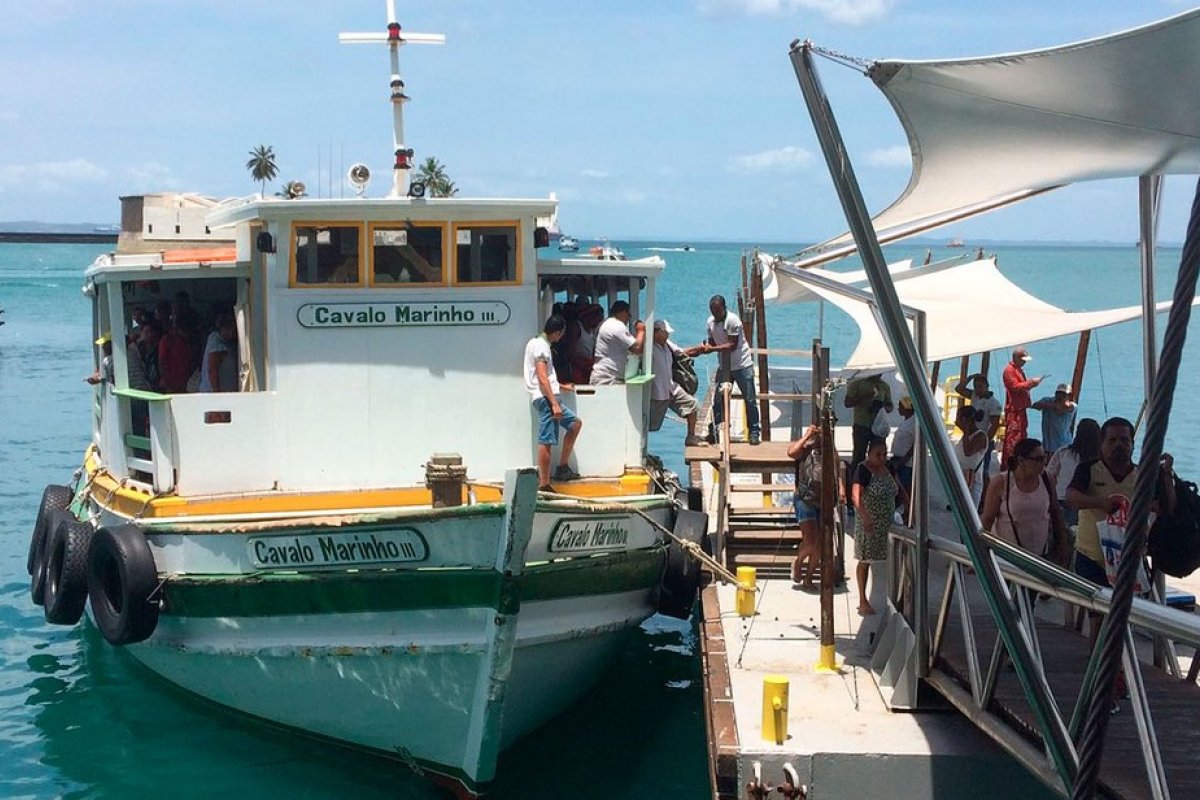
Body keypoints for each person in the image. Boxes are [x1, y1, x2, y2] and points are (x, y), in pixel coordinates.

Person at [1066, 416, 1175, 640]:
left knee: (1121, 617)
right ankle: (1099, 668)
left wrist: (1166, 474)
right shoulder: (1089, 469)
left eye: (1125, 440)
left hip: (1127, 559)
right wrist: (1101, 504)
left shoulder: (1143, 475)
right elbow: (1071, 497)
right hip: (1092, 555)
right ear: (1102, 443)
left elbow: (1167, 507)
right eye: (1113, 440)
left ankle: (1119, 668)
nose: (1119, 445)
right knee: (1098, 615)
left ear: (1133, 444)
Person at [982, 438, 1068, 563]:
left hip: (1040, 557)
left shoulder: (1046, 478)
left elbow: (1055, 512)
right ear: (1021, 461)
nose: (1043, 463)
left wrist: (1062, 546)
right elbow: (987, 520)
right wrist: (981, 554)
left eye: (1044, 458)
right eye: (1037, 460)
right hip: (1006, 558)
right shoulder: (1001, 483)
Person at [524, 314, 583, 491]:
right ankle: (544, 483)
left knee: (575, 424)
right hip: (546, 399)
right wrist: (554, 403)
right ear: (557, 332)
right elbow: (542, 377)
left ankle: (562, 467)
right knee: (546, 440)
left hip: (549, 395)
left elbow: (545, 376)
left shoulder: (535, 343)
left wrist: (560, 386)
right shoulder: (541, 347)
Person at [852, 437, 905, 615]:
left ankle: (897, 598)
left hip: (889, 522)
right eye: (878, 455)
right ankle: (862, 599)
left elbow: (900, 488)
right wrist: (866, 518)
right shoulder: (863, 470)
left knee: (896, 559)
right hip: (870, 523)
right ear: (869, 454)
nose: (881, 458)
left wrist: (910, 507)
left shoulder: (888, 468)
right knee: (866, 560)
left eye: (884, 454)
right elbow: (856, 497)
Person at [702, 295, 761, 445]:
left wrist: (712, 349)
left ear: (724, 308)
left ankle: (754, 432)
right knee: (718, 400)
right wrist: (707, 345)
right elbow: (712, 339)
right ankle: (715, 430)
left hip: (741, 364)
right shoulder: (710, 322)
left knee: (750, 399)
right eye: (713, 311)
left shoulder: (733, 320)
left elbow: (731, 345)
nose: (715, 314)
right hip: (724, 365)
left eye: (718, 311)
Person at [787, 424, 840, 588]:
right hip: (805, 499)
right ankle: (798, 561)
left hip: (824, 500)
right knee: (810, 541)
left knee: (820, 544)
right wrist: (807, 436)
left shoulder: (830, 451)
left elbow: (837, 468)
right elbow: (791, 453)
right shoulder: (805, 448)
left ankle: (809, 577)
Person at [649, 320, 703, 445]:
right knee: (650, 424)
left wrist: (699, 349)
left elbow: (681, 352)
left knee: (692, 405)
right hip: (656, 391)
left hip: (671, 387)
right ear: (657, 332)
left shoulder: (667, 344)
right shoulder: (648, 346)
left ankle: (690, 437)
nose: (668, 335)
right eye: (665, 332)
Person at [1045, 417, 1101, 526]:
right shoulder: (1099, 459)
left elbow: (1048, 476)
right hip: (1085, 504)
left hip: (1061, 499)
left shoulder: (1064, 452)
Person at [954, 372, 1002, 491]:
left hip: (981, 437)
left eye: (980, 386)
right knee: (966, 467)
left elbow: (994, 424)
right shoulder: (974, 396)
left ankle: (985, 497)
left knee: (982, 469)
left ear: (987, 386)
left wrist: (985, 440)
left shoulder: (994, 403)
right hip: (971, 433)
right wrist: (970, 377)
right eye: (975, 386)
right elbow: (959, 389)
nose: (977, 389)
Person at [1001, 346, 1044, 466]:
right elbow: (1015, 387)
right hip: (1014, 409)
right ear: (1015, 358)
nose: (1024, 361)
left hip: (1020, 408)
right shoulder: (1009, 370)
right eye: (1022, 359)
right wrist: (1031, 383)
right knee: (1013, 438)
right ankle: (1010, 464)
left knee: (1021, 436)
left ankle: (1019, 461)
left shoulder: (1018, 369)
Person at [844, 372, 893, 470]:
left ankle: (876, 479)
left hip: (878, 427)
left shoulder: (884, 386)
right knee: (859, 455)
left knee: (878, 455)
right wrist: (864, 397)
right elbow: (847, 403)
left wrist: (881, 405)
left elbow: (890, 407)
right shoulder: (857, 383)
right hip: (862, 425)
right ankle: (856, 479)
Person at [590, 300, 645, 385]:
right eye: (628, 314)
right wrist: (641, 331)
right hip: (607, 378)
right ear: (623, 312)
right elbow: (637, 348)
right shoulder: (616, 325)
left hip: (606, 376)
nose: (629, 317)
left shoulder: (606, 324)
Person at [953, 405, 989, 508]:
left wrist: (966, 429)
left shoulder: (980, 436)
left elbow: (968, 452)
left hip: (972, 481)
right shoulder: (965, 437)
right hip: (961, 478)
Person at [159, 309, 198, 393]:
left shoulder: (191, 341)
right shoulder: (167, 340)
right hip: (171, 383)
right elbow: (161, 362)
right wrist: (166, 382)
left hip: (188, 383)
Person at [199, 311, 239, 393]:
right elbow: (212, 370)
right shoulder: (216, 341)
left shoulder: (228, 343)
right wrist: (217, 393)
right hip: (213, 394)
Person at [1032, 383, 1078, 453]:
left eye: (1063, 394)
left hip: (1063, 445)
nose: (1060, 395)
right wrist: (1049, 405)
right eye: (1058, 393)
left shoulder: (1073, 406)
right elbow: (1035, 405)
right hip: (1047, 445)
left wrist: (1051, 406)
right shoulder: (1047, 400)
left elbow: (1063, 408)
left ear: (1068, 396)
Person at [890, 395, 916, 508]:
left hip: (906, 462)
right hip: (898, 458)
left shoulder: (914, 422)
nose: (898, 409)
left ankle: (908, 512)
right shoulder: (906, 421)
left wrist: (903, 460)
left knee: (904, 489)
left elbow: (915, 445)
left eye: (900, 406)